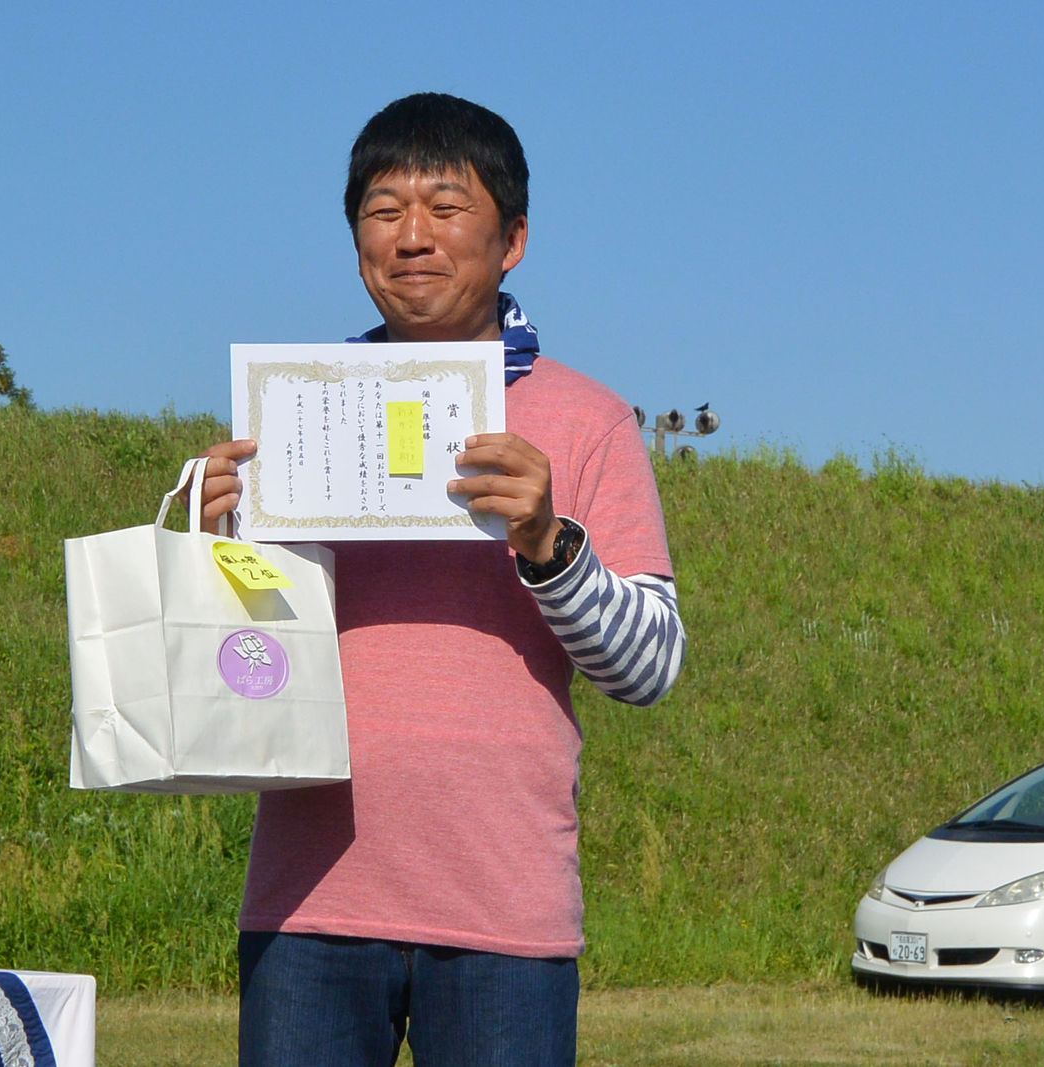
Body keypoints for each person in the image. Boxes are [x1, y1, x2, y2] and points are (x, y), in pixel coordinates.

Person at [196, 92, 685, 1066]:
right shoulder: (293, 415)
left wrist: (547, 541)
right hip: (307, 903)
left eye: (446, 207)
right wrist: (218, 543)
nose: (411, 236)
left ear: (513, 240)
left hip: (506, 907)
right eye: (383, 211)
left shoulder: (587, 418)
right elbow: (242, 655)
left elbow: (649, 666)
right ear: (356, 241)